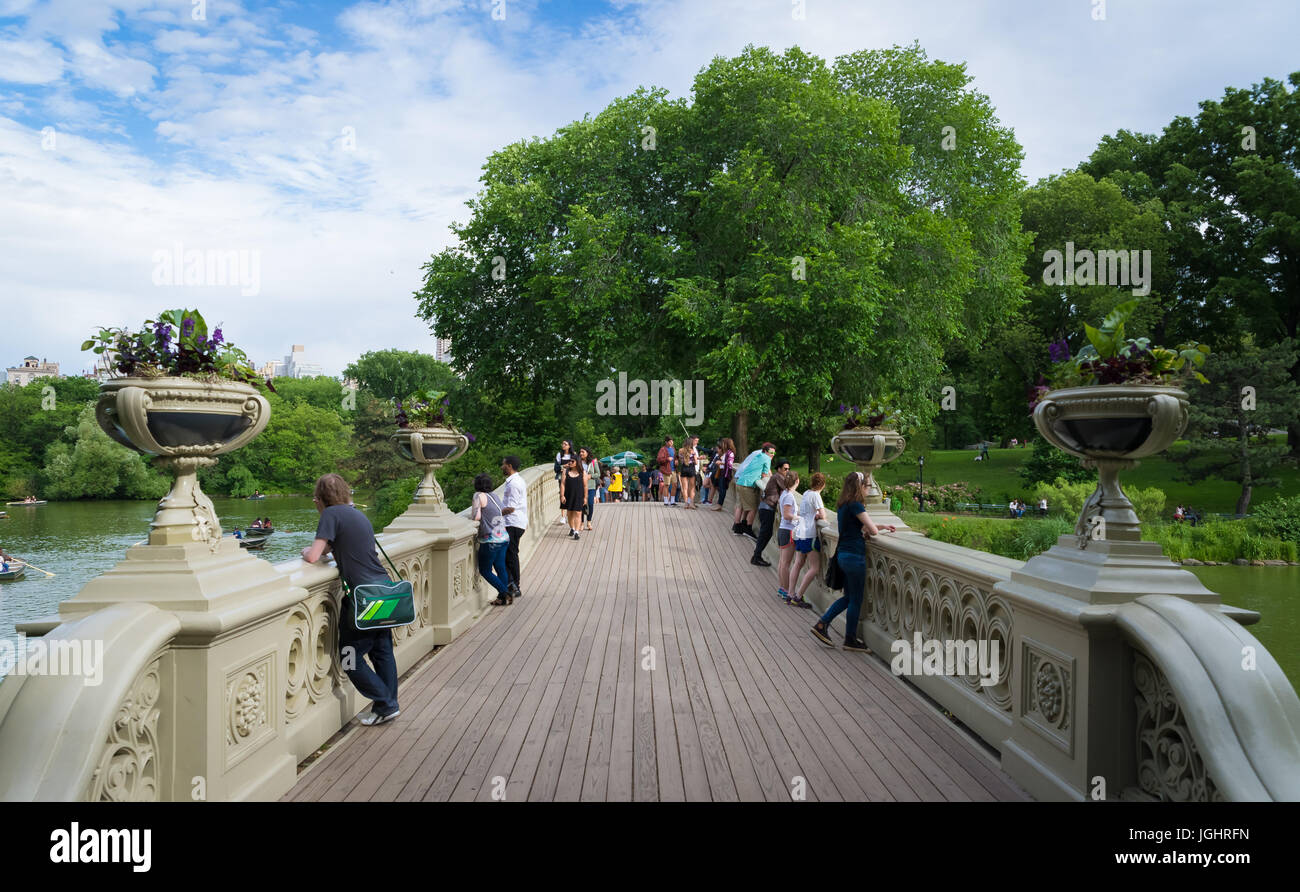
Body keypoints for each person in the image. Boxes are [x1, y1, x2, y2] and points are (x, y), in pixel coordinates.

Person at [301, 473, 400, 726]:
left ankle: (385, 702)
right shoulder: (358, 514)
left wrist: (305, 550)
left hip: (362, 597)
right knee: (382, 651)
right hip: (384, 590)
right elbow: (340, 547)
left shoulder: (330, 515)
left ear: (321, 498)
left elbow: (313, 556)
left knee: (348, 654)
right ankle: (388, 705)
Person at [811, 471, 895, 652]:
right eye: (868, 486)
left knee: (849, 597)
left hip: (843, 554)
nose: (869, 490)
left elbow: (859, 526)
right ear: (860, 487)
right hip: (854, 557)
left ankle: (825, 626)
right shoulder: (856, 505)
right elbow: (871, 531)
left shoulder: (844, 505)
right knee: (855, 599)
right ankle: (845, 636)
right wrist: (877, 528)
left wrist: (882, 526)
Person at [471, 473, 513, 606]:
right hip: (503, 538)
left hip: (490, 540)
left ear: (477, 485)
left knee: (485, 570)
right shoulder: (494, 496)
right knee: (500, 567)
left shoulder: (478, 496)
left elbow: (476, 517)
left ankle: (505, 592)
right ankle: (503, 598)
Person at [789, 472, 827, 608]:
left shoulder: (805, 493)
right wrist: (817, 516)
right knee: (815, 568)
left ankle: (790, 593)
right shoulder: (816, 495)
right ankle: (798, 597)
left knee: (798, 563)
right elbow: (823, 515)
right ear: (823, 484)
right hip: (809, 534)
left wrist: (813, 515)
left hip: (799, 532)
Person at [751, 457, 790, 567]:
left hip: (766, 507)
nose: (787, 471)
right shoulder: (778, 477)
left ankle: (756, 556)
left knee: (766, 533)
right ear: (778, 469)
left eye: (788, 469)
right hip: (767, 508)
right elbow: (788, 488)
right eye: (785, 469)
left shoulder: (776, 476)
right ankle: (756, 557)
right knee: (765, 533)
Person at [733, 442, 775, 537]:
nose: (772, 455)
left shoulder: (758, 455)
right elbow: (765, 474)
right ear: (765, 451)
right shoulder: (767, 458)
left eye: (774, 453)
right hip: (747, 485)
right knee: (753, 508)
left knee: (740, 506)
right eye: (771, 452)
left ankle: (737, 527)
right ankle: (747, 529)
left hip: (740, 482)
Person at [500, 455, 527, 600]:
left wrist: (496, 513)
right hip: (516, 522)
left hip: (513, 522)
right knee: (510, 555)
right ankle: (513, 585)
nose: (501, 467)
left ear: (509, 466)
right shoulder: (517, 480)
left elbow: (511, 507)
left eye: (503, 464)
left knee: (510, 556)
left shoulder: (513, 484)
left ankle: (515, 586)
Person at [775, 471, 802, 602]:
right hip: (788, 530)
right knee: (785, 563)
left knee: (782, 562)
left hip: (782, 530)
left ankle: (782, 588)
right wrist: (800, 518)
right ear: (797, 481)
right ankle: (785, 589)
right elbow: (786, 515)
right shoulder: (789, 496)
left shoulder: (784, 494)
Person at [561, 454, 587, 539]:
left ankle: (576, 532)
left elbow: (585, 486)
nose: (570, 463)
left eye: (572, 461)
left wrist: (585, 497)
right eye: (570, 461)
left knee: (578, 513)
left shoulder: (582, 472)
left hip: (579, 495)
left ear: (577, 462)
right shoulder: (566, 471)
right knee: (569, 513)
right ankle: (572, 528)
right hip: (568, 495)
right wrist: (562, 495)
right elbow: (563, 484)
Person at [712, 438, 736, 511]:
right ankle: (719, 504)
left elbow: (730, 464)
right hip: (722, 472)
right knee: (721, 488)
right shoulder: (726, 453)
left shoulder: (730, 453)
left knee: (722, 489)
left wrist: (720, 462)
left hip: (725, 473)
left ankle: (720, 505)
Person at [580, 447, 600, 531]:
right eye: (580, 452)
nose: (581, 453)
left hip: (591, 486)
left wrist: (590, 476)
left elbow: (598, 474)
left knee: (590, 504)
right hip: (580, 486)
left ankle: (589, 521)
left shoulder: (593, 462)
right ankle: (581, 523)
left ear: (587, 453)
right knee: (581, 505)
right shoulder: (578, 462)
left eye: (583, 452)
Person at [555, 440, 575, 521]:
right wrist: (564, 466)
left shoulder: (573, 455)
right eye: (562, 444)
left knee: (571, 494)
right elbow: (556, 468)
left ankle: (569, 514)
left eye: (565, 444)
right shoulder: (559, 455)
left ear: (569, 446)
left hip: (572, 476)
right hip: (562, 477)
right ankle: (563, 516)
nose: (563, 445)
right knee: (562, 494)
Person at [679, 436, 699, 509]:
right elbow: (696, 462)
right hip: (691, 469)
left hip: (684, 468)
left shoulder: (680, 450)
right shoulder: (693, 452)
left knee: (685, 488)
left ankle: (686, 503)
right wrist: (694, 460)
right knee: (692, 487)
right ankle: (691, 503)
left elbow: (681, 460)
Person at [656, 436, 677, 506]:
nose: (672, 443)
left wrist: (676, 461)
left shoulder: (673, 449)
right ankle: (665, 501)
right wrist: (667, 459)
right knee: (666, 485)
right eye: (670, 441)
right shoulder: (663, 449)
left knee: (675, 485)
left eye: (672, 441)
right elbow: (659, 459)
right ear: (666, 442)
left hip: (673, 469)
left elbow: (675, 457)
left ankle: (672, 501)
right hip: (666, 470)